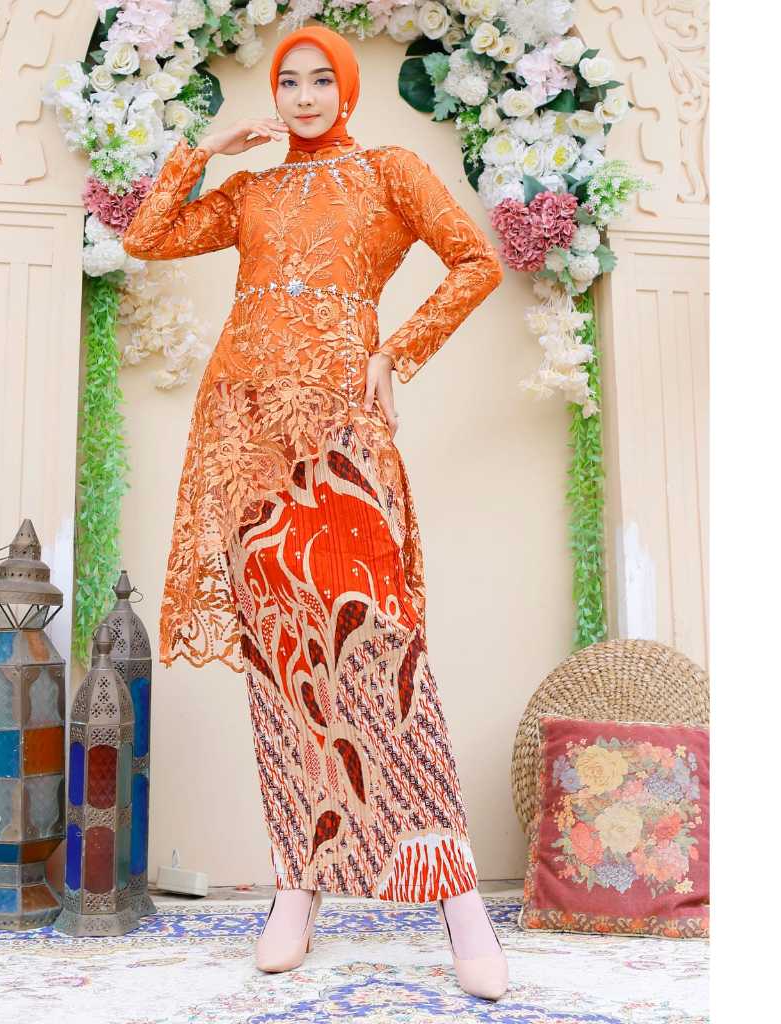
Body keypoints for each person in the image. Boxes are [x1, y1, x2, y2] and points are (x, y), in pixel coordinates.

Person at [122, 22, 507, 1001]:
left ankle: (456, 895)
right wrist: (206, 150)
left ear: (344, 88)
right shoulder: (252, 190)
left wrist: (396, 352)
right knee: (281, 660)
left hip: (341, 431)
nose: (301, 96)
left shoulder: (388, 171)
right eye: (286, 80)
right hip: (247, 436)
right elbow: (145, 237)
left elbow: (475, 261)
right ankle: (297, 883)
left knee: (380, 646)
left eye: (318, 80)